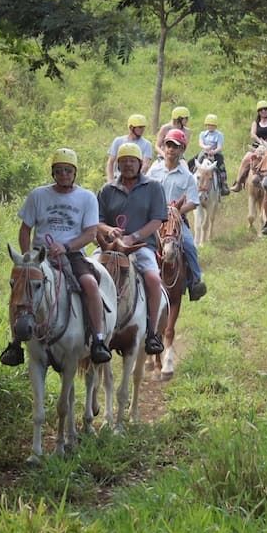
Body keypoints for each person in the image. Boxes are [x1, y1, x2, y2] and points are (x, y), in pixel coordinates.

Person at [0, 148, 113, 366]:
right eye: (59, 171)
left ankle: (98, 340)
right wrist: (27, 257)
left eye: (68, 171)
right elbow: (25, 229)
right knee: (19, 288)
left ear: (75, 173)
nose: (63, 175)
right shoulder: (38, 195)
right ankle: (15, 344)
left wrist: (66, 246)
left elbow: (90, 234)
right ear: (53, 173)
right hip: (39, 257)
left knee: (90, 283)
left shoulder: (87, 197)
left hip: (73, 255)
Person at [96, 142, 167, 355]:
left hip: (141, 246)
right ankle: (93, 330)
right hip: (110, 247)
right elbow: (97, 221)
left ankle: (152, 333)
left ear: (139, 164)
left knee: (153, 279)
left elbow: (157, 220)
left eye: (132, 161)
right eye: (124, 161)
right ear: (118, 164)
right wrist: (110, 231)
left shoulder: (153, 187)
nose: (128, 165)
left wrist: (133, 237)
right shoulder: (107, 190)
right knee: (90, 274)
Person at [148, 129, 208, 301]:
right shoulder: (154, 172)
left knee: (189, 246)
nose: (171, 150)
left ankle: (195, 282)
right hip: (154, 220)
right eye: (168, 145)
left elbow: (193, 201)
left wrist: (176, 211)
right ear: (164, 147)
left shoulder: (187, 176)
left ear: (182, 149)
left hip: (177, 222)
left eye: (175, 147)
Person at [230, 100, 267, 193]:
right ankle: (238, 182)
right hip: (259, 146)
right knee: (247, 157)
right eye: (261, 109)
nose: (263, 111)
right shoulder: (256, 122)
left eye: (265, 109)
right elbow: (253, 134)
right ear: (258, 112)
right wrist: (261, 142)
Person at [106, 114, 154, 183]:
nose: (143, 129)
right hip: (118, 179)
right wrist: (110, 180)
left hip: (137, 181)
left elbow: (145, 165)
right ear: (131, 127)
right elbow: (110, 162)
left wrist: (133, 179)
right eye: (140, 127)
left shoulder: (146, 144)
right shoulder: (118, 141)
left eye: (143, 127)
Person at [192, 113, 230, 195]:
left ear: (215, 126)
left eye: (212, 125)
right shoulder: (202, 134)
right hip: (205, 152)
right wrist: (205, 147)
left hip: (215, 153)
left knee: (221, 166)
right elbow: (200, 143)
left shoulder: (219, 135)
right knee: (196, 163)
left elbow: (219, 146)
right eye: (208, 125)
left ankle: (224, 184)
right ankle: (193, 180)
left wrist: (214, 151)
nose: (210, 127)